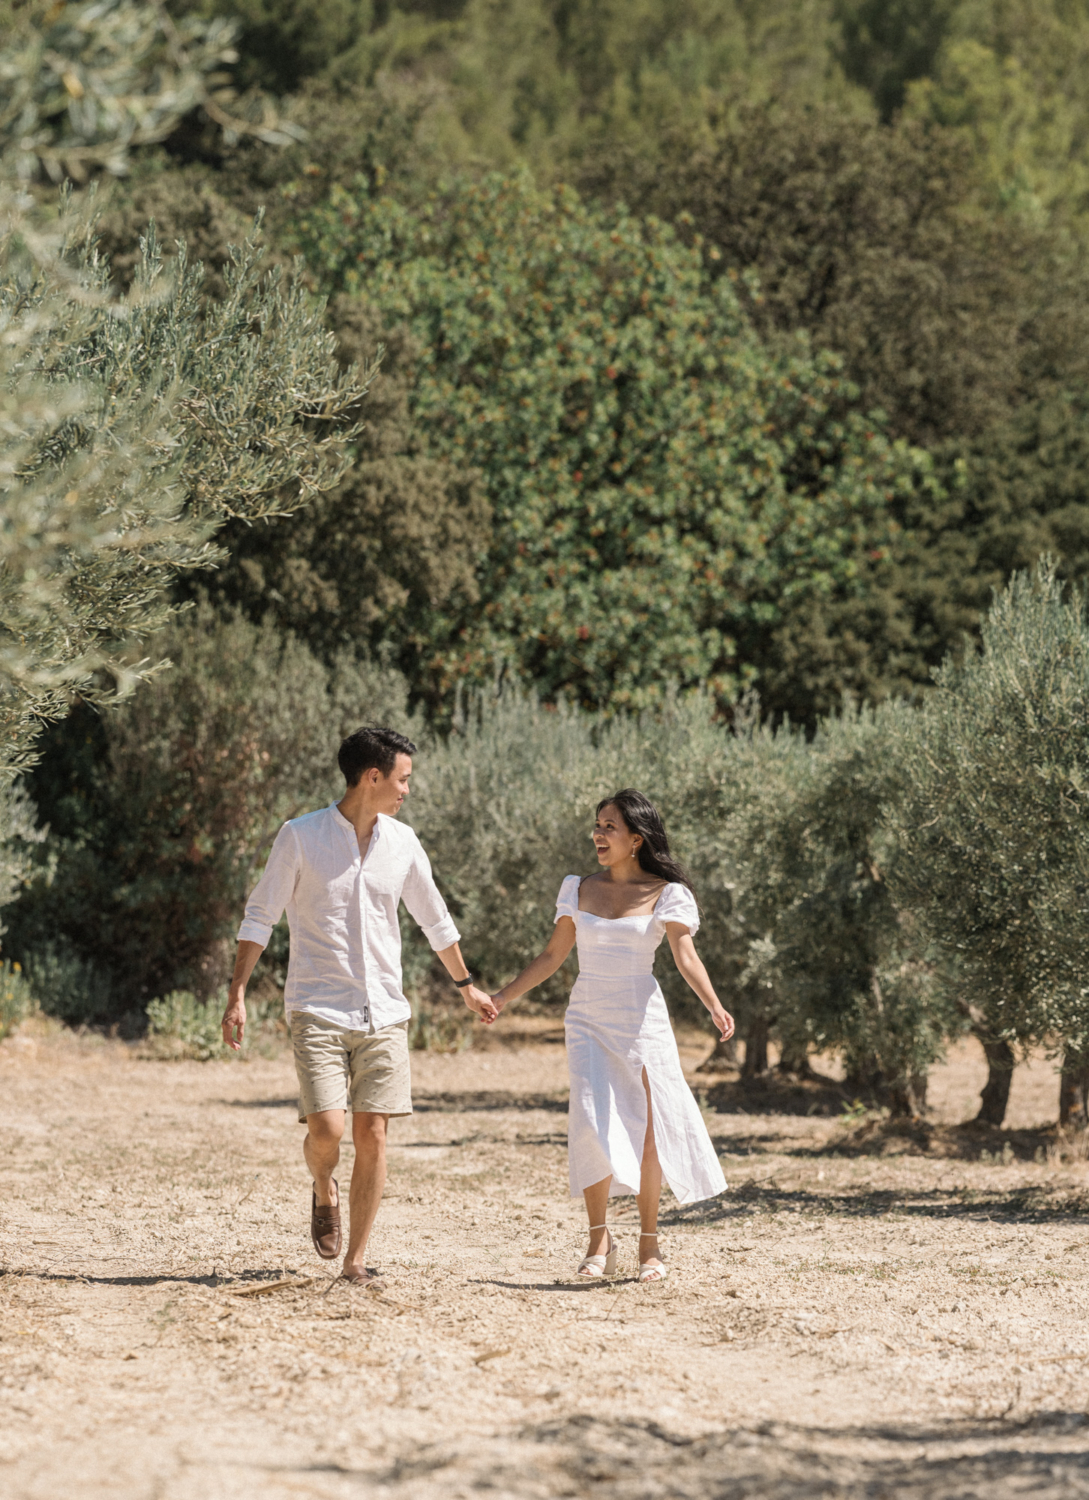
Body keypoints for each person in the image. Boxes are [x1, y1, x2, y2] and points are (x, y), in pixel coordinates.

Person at [221, 726, 497, 1286]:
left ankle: (356, 1260)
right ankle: (324, 1187)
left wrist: (466, 983)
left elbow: (434, 918)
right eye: (403, 779)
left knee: (373, 1132)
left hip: (385, 1014)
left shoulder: (404, 843)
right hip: (318, 1007)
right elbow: (260, 916)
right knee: (328, 1129)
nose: (407, 791)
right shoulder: (300, 837)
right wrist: (237, 994)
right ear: (373, 777)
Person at [490, 789, 733, 1283]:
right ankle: (598, 1239)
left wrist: (714, 1005)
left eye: (609, 827)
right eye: (597, 825)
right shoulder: (577, 888)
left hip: (642, 1019)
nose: (598, 835)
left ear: (637, 839)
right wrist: (503, 996)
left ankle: (650, 1245)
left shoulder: (667, 893)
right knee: (590, 1120)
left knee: (647, 1130)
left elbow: (686, 957)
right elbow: (552, 956)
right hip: (587, 1017)